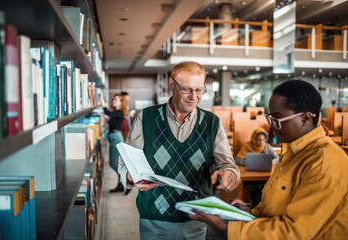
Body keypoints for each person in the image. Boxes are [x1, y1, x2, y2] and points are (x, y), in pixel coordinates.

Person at [189, 79, 348, 239]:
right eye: (270, 118)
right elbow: (277, 209)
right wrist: (249, 213)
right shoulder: (295, 153)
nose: (271, 127)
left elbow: (294, 233)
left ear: (305, 118)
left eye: (277, 120)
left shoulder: (324, 161)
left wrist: (230, 227)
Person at [118, 61, 240, 239]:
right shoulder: (146, 118)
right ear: (171, 85)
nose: (194, 96)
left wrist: (229, 174)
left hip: (196, 219)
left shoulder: (212, 122)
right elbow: (125, 160)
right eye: (187, 89)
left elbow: (228, 165)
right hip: (154, 220)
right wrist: (131, 176)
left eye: (199, 90)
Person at [99, 92, 128, 193]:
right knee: (115, 163)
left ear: (121, 103)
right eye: (113, 100)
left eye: (116, 100)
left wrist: (101, 97)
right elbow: (112, 121)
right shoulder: (116, 113)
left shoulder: (120, 113)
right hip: (114, 138)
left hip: (116, 139)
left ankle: (127, 181)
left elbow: (107, 111)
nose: (113, 101)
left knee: (113, 164)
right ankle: (120, 185)